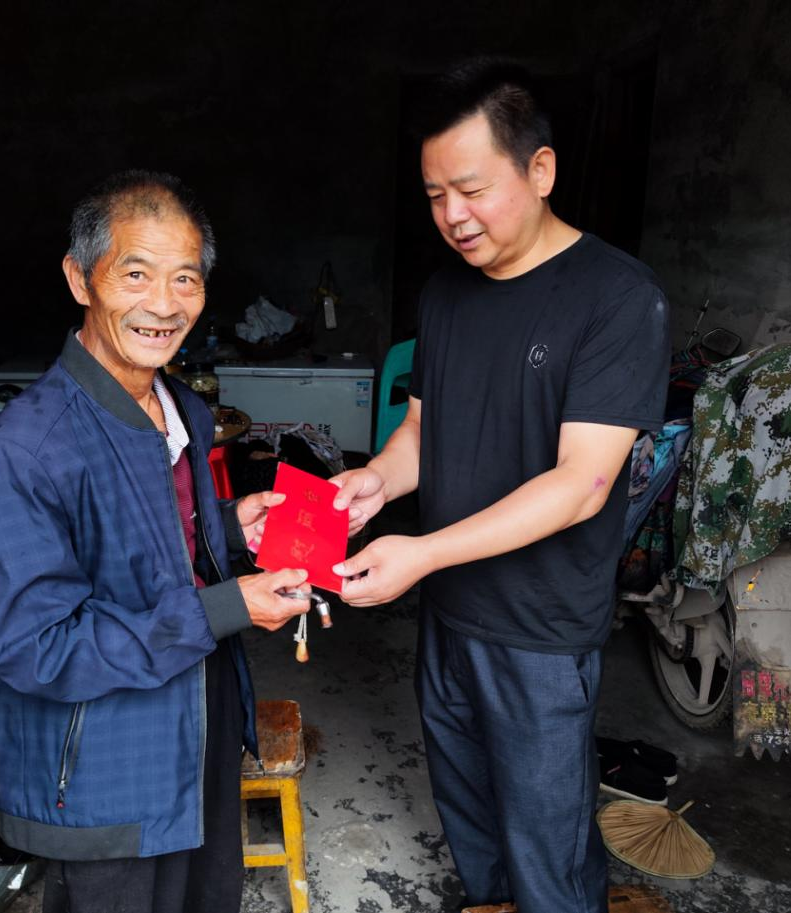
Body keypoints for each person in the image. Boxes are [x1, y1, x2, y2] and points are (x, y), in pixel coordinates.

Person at [330, 60, 671, 913]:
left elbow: (581, 483)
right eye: (434, 195)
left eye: (472, 189)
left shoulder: (615, 297)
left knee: (546, 853)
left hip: (540, 630)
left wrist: (420, 552)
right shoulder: (445, 293)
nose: (452, 215)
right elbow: (421, 432)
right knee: (473, 828)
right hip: (449, 610)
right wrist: (375, 481)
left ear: (540, 169)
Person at [0, 169, 310, 913]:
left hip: (198, 722)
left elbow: (148, 539)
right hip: (104, 766)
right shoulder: (22, 454)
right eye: (135, 274)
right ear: (80, 278)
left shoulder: (181, 410)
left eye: (185, 279)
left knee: (207, 899)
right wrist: (226, 606)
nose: (164, 305)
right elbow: (39, 647)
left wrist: (229, 527)